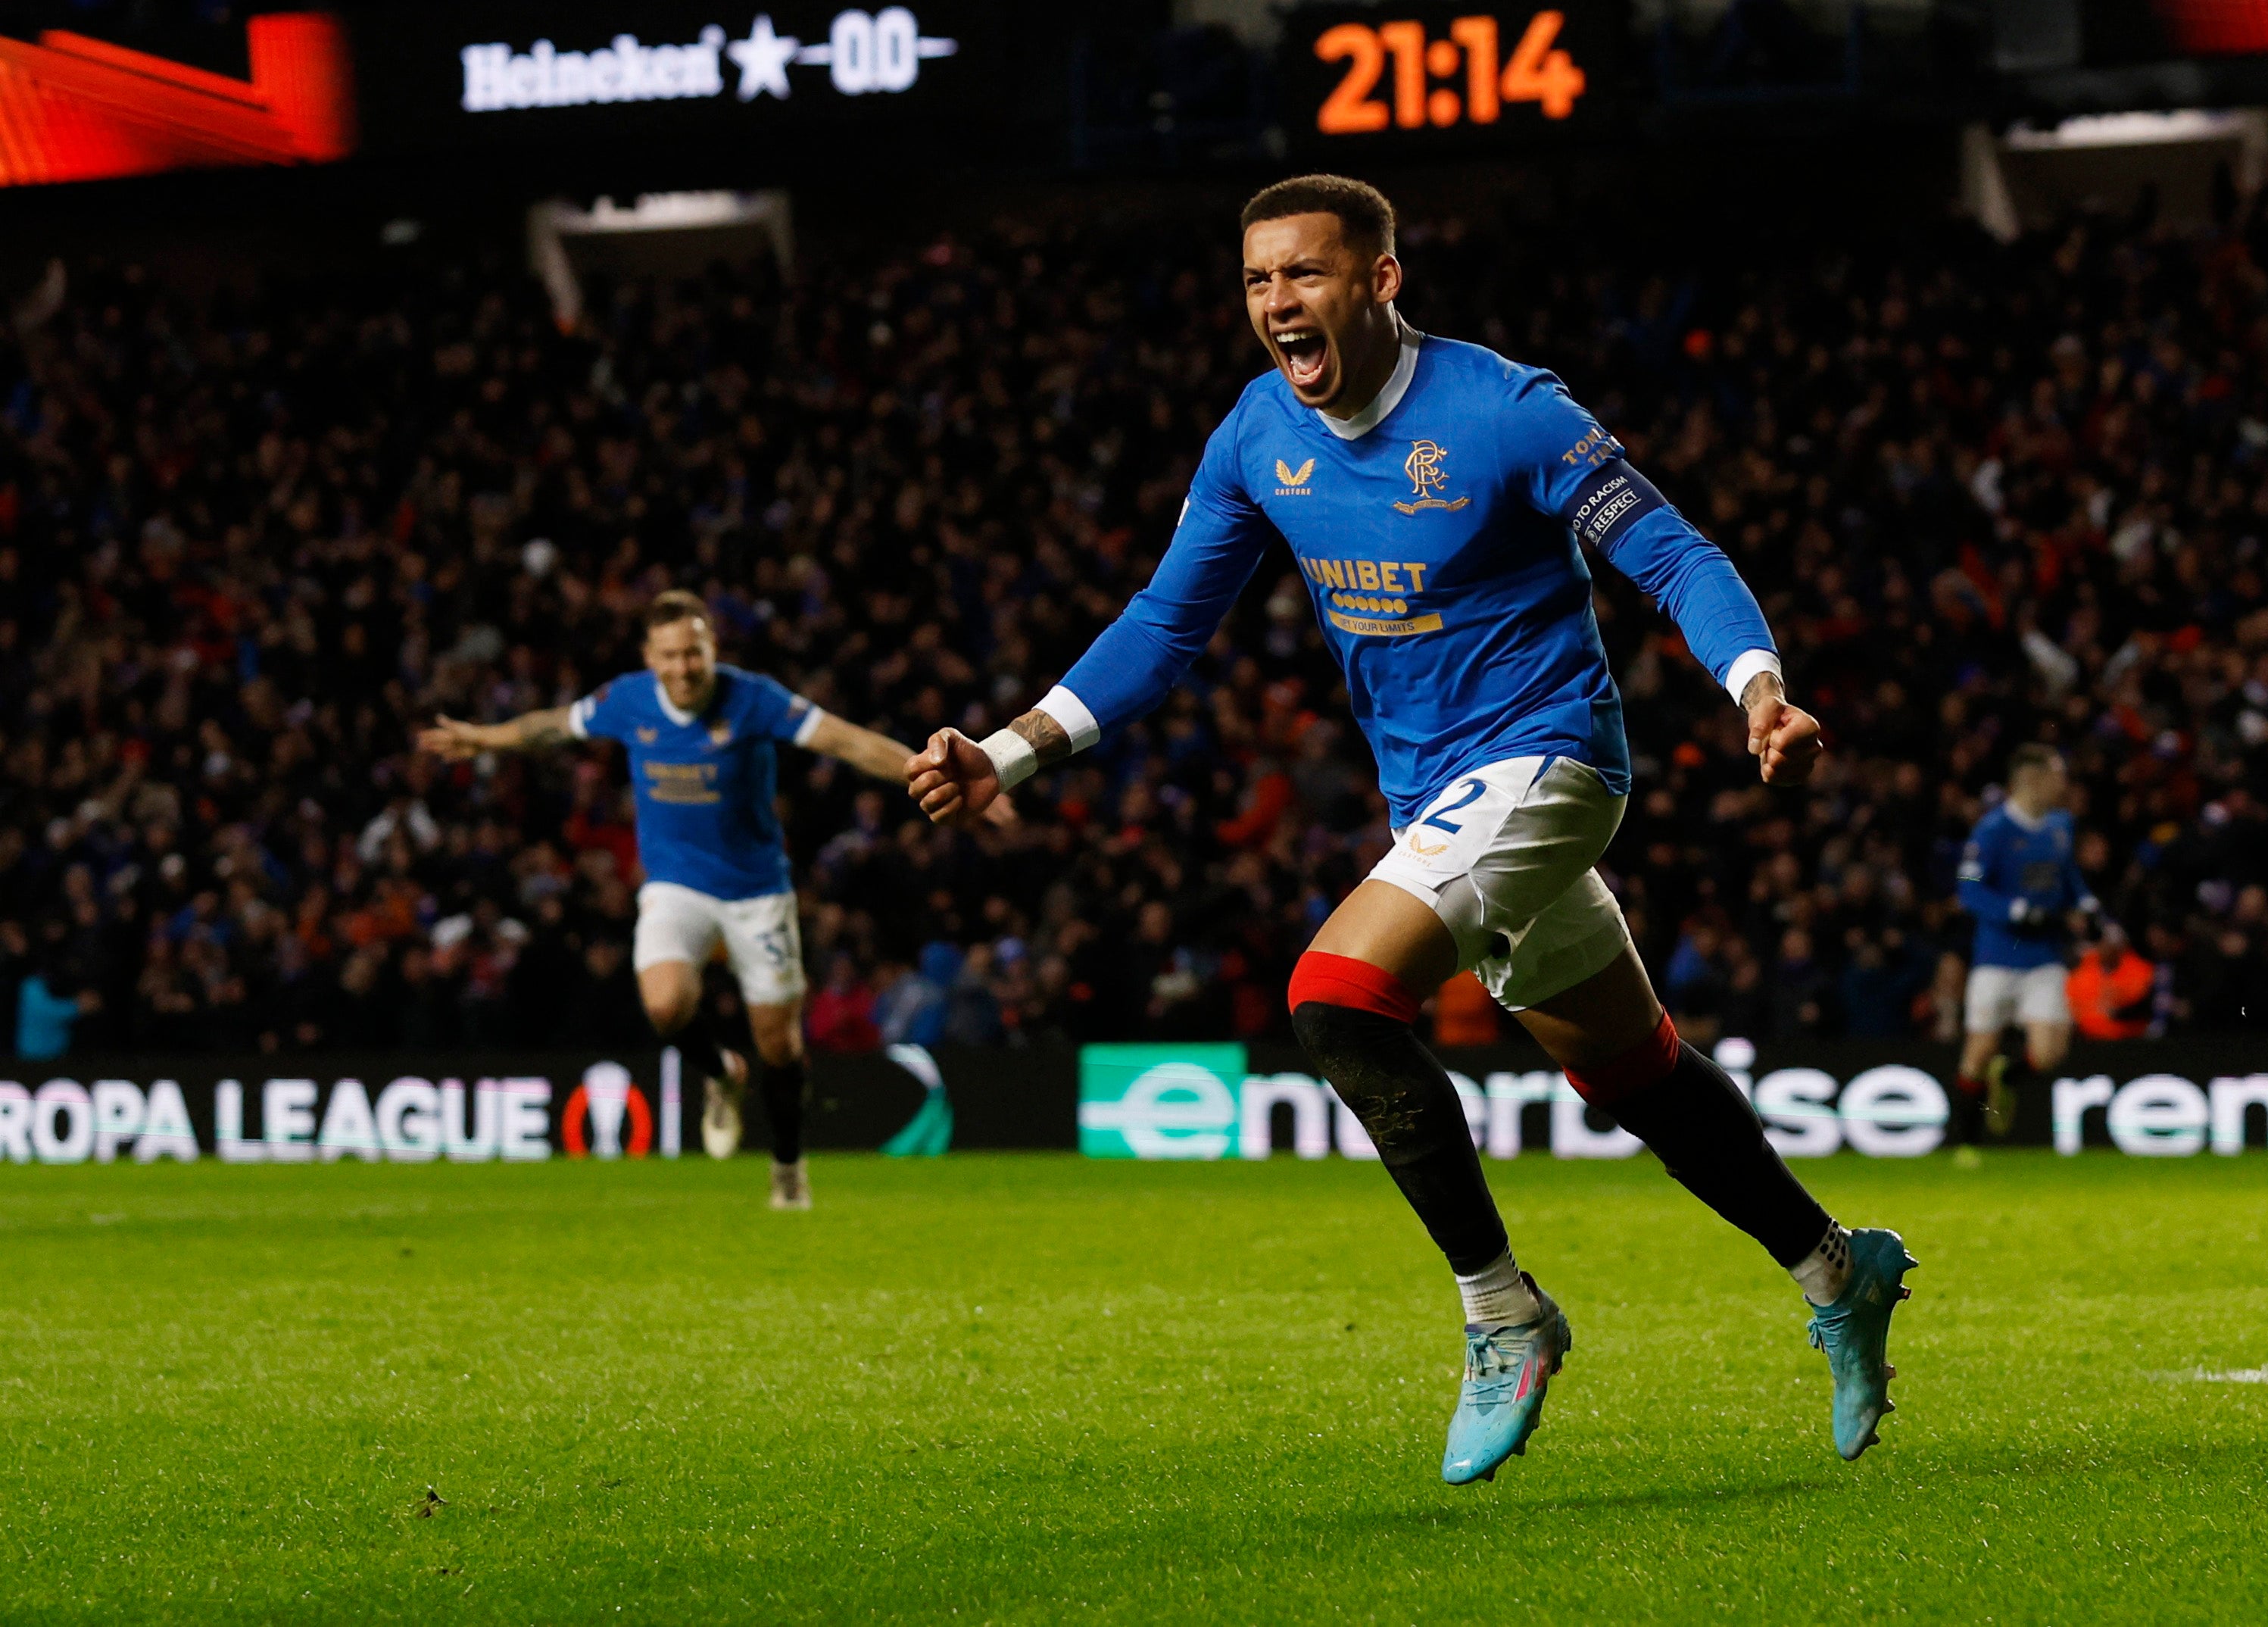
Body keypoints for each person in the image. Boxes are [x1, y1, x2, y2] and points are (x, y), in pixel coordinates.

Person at [906, 174, 1913, 1485]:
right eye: (1260, 280)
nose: (1278, 304)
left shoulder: (1506, 413)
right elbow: (1165, 626)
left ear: (1381, 280)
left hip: (1549, 761)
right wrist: (1009, 749)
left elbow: (1669, 555)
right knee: (1633, 1076)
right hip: (1430, 793)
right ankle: (1839, 1272)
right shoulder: (1255, 435)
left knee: (1332, 999)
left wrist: (1756, 687)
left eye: (1305, 275)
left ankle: (1504, 1314)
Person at [419, 591, 922, 1207]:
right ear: (649, 657)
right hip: (676, 885)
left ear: (712, 648)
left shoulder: (753, 698)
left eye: (694, 652)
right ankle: (720, 1073)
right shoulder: (627, 700)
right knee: (664, 1003)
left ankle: (788, 1165)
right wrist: (487, 739)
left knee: (781, 1047)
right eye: (671, 655)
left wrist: (928, 773)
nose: (684, 667)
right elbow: (554, 725)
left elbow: (847, 741)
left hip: (757, 892)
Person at [1952, 745, 2100, 1141]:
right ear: (2032, 780)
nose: (2064, 783)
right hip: (1997, 956)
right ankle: (1966, 1139)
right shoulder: (1993, 830)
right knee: (1979, 1052)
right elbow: (1968, 889)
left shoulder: (2060, 825)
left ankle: (2010, 1076)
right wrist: (2014, 910)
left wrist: (2085, 901)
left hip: (2043, 955)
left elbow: (2066, 874)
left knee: (2051, 1053)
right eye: (2057, 775)